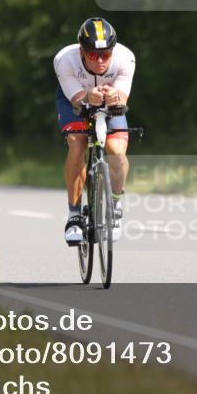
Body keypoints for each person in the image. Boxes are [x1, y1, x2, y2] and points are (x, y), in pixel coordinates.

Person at [54, 17, 135, 245]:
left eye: (106, 54)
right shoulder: (64, 59)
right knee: (77, 141)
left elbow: (122, 97)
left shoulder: (125, 58)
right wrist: (88, 97)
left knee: (117, 151)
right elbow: (77, 102)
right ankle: (74, 215)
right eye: (93, 55)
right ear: (82, 50)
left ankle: (115, 206)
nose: (100, 61)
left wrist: (113, 96)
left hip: (110, 101)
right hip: (76, 97)